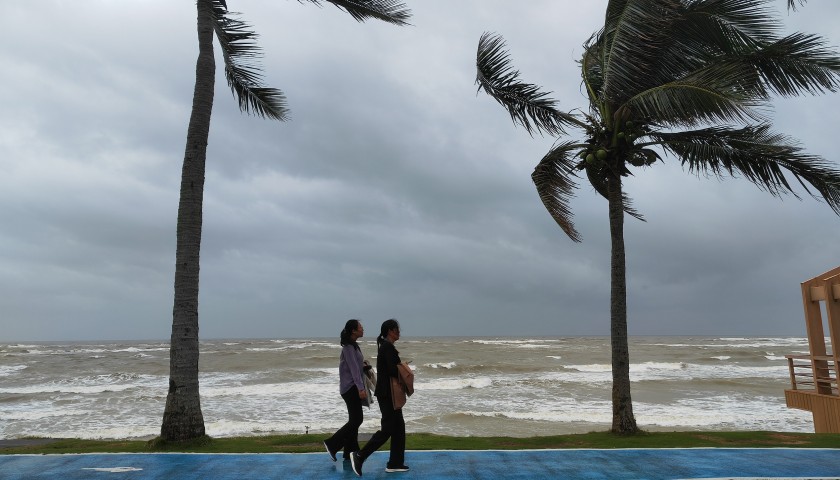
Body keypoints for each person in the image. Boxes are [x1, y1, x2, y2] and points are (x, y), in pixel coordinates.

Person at [351, 319, 408, 476]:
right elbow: (391, 370)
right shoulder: (387, 348)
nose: (399, 332)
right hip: (387, 395)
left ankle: (395, 463)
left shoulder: (386, 347)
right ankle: (360, 456)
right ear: (390, 331)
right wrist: (404, 369)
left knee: (399, 428)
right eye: (397, 329)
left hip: (389, 394)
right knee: (388, 429)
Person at [324, 319, 368, 462]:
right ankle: (332, 444)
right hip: (350, 388)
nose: (363, 329)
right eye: (360, 327)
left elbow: (356, 366)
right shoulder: (348, 347)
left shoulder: (353, 346)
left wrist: (364, 367)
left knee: (354, 420)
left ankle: (350, 451)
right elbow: (354, 370)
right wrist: (361, 388)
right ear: (353, 331)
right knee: (357, 420)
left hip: (352, 387)